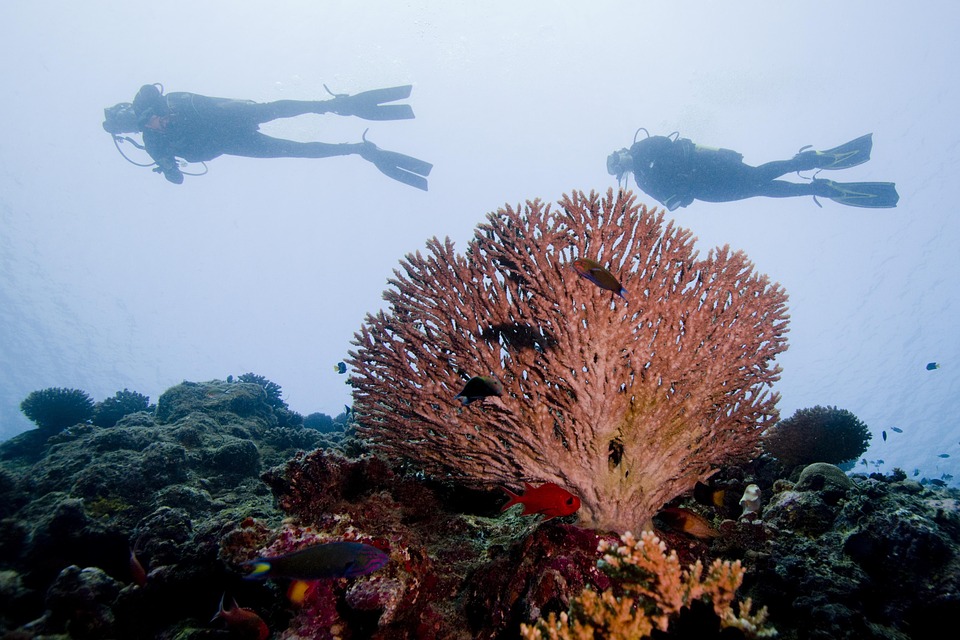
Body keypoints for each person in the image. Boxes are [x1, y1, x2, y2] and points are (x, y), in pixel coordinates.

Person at [103, 83, 432, 190]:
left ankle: (338, 105)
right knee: (295, 150)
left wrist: (157, 115)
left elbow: (152, 92)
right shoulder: (153, 143)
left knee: (280, 109)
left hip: (231, 117)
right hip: (232, 143)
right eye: (147, 127)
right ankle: (359, 150)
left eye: (152, 121)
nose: (154, 126)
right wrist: (168, 166)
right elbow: (177, 180)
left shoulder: (158, 102)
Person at [606, 130, 898, 209]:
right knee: (758, 186)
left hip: (712, 171)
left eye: (618, 156)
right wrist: (680, 193)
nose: (623, 160)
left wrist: (722, 151)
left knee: (758, 179)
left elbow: (688, 145)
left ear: (622, 151)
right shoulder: (643, 181)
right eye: (619, 165)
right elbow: (674, 203)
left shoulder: (645, 146)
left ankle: (813, 176)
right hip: (710, 188)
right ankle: (812, 171)